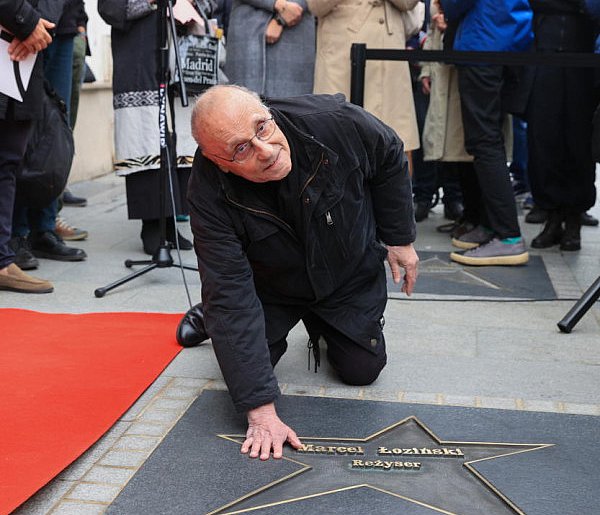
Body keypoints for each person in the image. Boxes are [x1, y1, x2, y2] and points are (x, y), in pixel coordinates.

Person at [180, 85, 419, 460]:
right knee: (247, 378)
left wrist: (400, 238)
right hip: (271, 286)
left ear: (266, 111)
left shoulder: (331, 121)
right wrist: (261, 414)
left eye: (262, 128)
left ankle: (324, 320)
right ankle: (208, 315)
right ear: (218, 162)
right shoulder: (207, 190)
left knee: (362, 369)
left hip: (344, 270)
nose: (266, 150)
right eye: (241, 149)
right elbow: (229, 289)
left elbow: (389, 152)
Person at [98, 0, 195, 255]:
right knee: (145, 130)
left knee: (179, 132)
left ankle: (172, 220)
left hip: (180, 48)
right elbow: (110, 8)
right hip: (138, 49)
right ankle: (152, 224)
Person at [440, 0, 532, 266]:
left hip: (483, 41)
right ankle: (493, 226)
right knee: (491, 139)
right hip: (510, 38)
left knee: (484, 142)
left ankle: (508, 237)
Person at [309, 0, 421, 165]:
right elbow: (316, 6)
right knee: (336, 138)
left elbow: (407, 3)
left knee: (397, 141)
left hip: (389, 54)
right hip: (342, 55)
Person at [526, 0, 598, 251]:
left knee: (579, 142)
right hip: (544, 58)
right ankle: (552, 217)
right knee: (544, 139)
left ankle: (574, 219)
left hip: (583, 63)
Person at [0, 0, 54, 293]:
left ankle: (2, 261)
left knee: (7, 159)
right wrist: (27, 22)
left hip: (23, 51)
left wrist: (39, 28)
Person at [224, 0, 315, 97]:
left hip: (295, 31)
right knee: (242, 103)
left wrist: (281, 19)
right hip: (247, 33)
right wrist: (277, 4)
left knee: (293, 106)